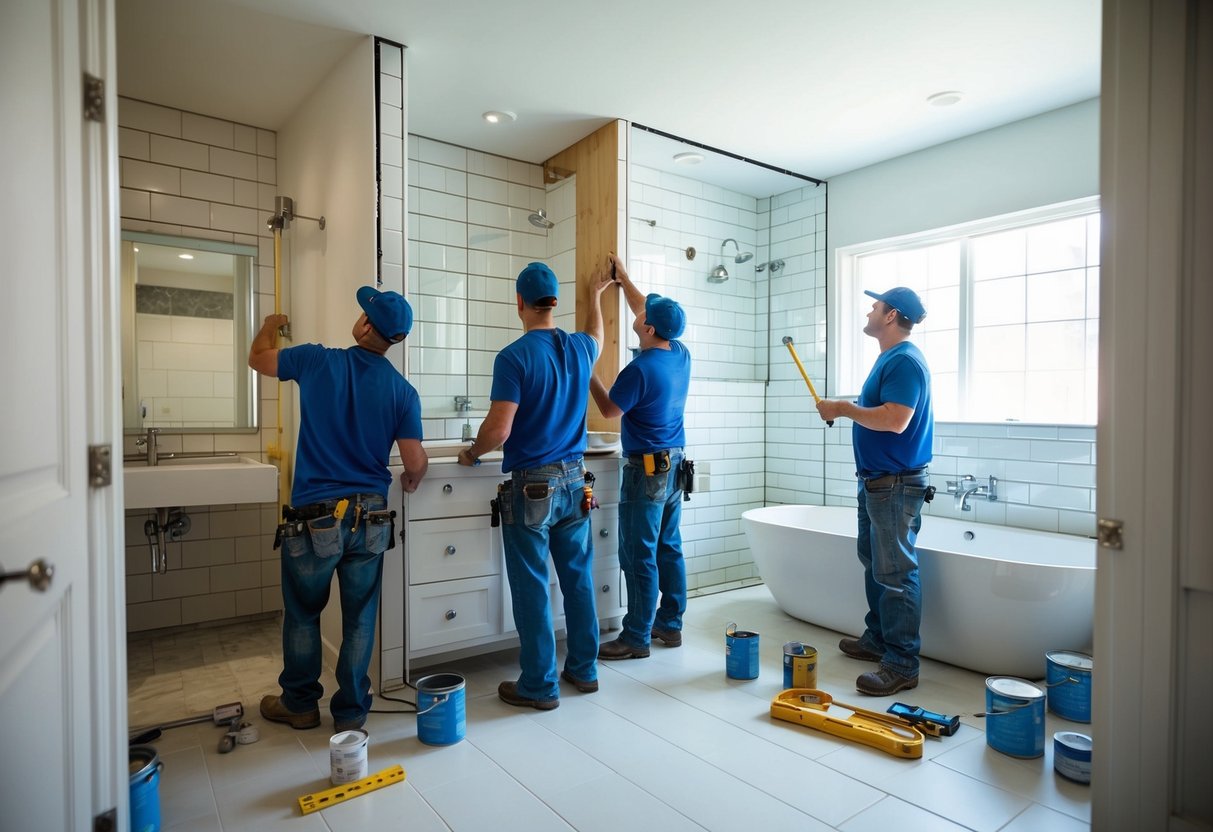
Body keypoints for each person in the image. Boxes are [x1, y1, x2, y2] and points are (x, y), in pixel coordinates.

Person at [248, 286, 428, 732]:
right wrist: (410, 479)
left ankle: (300, 704)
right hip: (369, 518)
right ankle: (350, 714)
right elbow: (415, 462)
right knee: (360, 617)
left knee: (305, 612)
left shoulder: (316, 360)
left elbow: (260, 359)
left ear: (365, 325)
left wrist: (270, 326)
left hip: (314, 518)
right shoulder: (403, 392)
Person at [458, 261, 611, 710]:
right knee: (578, 580)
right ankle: (584, 669)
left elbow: (499, 431)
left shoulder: (513, 357)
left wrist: (472, 453)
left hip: (533, 489)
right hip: (574, 481)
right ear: (554, 303)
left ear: (519, 303)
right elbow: (597, 335)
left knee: (530, 585)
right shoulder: (581, 348)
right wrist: (596, 297)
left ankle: (539, 685)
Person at [815, 286, 934, 696]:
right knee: (875, 562)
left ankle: (902, 663)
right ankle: (879, 639)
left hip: (895, 484)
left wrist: (843, 408)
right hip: (878, 482)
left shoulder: (904, 361)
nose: (869, 308)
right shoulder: (891, 358)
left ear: (890, 315)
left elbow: (896, 420)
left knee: (895, 572)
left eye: (875, 304)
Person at [589, 254, 692, 660]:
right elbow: (643, 307)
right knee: (669, 547)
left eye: (644, 313)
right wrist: (624, 280)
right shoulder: (678, 352)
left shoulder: (640, 369)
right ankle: (670, 625)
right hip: (674, 466)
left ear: (647, 328)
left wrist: (589, 372)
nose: (640, 310)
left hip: (646, 470)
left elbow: (611, 411)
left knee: (638, 554)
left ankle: (635, 637)